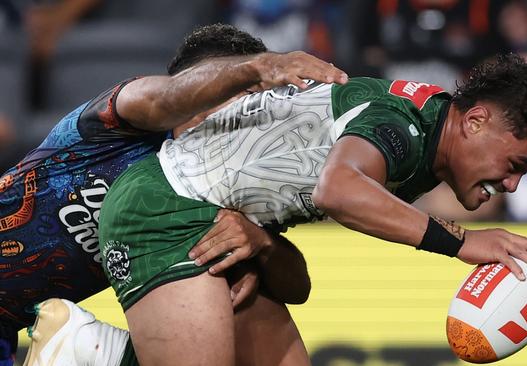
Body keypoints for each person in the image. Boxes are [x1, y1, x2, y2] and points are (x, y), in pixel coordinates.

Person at [37, 52, 527, 366]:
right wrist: (461, 243)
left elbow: (297, 285)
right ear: (475, 120)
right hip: (166, 206)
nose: (512, 183)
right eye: (516, 163)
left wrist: (263, 242)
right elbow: (338, 190)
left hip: (216, 215)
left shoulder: (427, 132)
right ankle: (90, 352)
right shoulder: (400, 128)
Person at [0, 23, 348, 366]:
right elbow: (164, 97)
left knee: (244, 289)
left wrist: (261, 243)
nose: (246, 119)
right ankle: (101, 354)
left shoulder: (233, 178)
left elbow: (297, 288)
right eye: (236, 98)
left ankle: (94, 352)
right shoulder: (123, 117)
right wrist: (258, 68)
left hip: (10, 325)